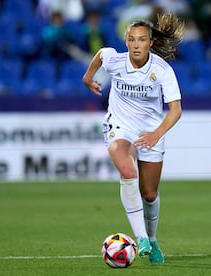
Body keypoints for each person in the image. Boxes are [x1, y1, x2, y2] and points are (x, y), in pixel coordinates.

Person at [82, 13, 184, 263]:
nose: (136, 44)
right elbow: (100, 55)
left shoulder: (161, 70)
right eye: (131, 39)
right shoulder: (115, 60)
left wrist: (156, 133)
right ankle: (141, 239)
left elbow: (176, 109)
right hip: (120, 127)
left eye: (141, 39)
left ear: (150, 42)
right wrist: (87, 78)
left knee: (149, 194)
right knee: (127, 171)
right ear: (126, 42)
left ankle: (153, 238)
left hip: (150, 132)